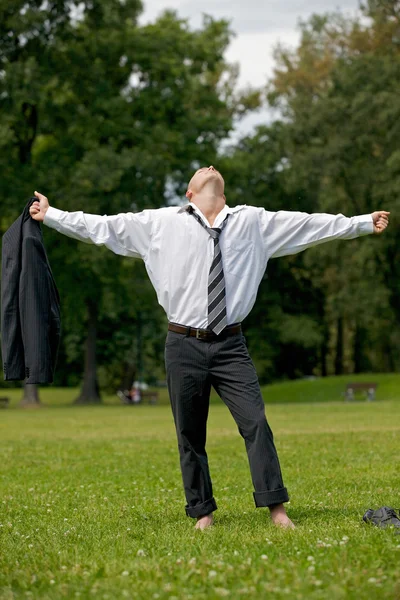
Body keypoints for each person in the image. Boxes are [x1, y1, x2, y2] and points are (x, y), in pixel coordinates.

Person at [30, 166, 390, 530]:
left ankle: (276, 509)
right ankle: (202, 512)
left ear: (222, 192)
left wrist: (361, 222)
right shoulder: (160, 223)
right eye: (200, 171)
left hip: (231, 344)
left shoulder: (254, 221)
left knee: (256, 423)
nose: (209, 167)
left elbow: (310, 225)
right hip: (183, 343)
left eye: (212, 169)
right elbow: (102, 227)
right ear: (189, 193)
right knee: (189, 433)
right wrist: (52, 215)